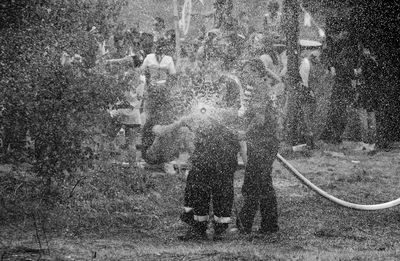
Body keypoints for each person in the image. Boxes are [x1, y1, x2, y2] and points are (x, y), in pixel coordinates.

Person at [178, 33, 243, 241]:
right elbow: (190, 108)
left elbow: (236, 112)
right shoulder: (199, 83)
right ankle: (198, 226)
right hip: (203, 142)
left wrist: (216, 112)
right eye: (206, 62)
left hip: (224, 142)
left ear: (220, 63)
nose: (209, 66)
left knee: (222, 184)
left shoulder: (231, 84)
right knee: (198, 183)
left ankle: (221, 227)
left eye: (213, 61)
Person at [236, 55, 280, 236]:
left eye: (246, 71)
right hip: (260, 141)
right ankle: (269, 226)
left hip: (264, 141)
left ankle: (245, 224)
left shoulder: (261, 86)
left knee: (254, 183)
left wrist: (244, 132)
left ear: (255, 71)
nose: (243, 74)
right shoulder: (254, 86)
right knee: (263, 182)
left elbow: (260, 119)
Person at [139, 39, 177, 171]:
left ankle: (165, 158)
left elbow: (172, 76)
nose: (159, 49)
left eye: (162, 47)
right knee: (149, 122)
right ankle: (147, 156)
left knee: (164, 123)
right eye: (158, 46)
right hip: (151, 92)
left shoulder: (169, 59)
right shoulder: (149, 58)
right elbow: (142, 72)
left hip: (164, 93)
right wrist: (148, 85)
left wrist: (167, 89)